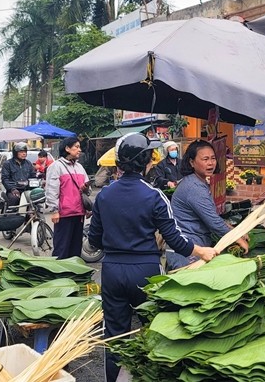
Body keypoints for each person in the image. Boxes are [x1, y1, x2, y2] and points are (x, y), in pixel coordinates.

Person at [88, 133, 218, 382]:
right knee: (154, 332)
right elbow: (175, 239)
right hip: (145, 272)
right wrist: (202, 251)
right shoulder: (154, 195)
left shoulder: (104, 195)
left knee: (114, 336)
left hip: (112, 271)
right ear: (147, 161)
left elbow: (93, 240)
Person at [166, 140, 249, 270]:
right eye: (205, 159)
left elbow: (211, 216)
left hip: (193, 248)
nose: (210, 163)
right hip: (187, 253)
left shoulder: (198, 182)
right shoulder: (194, 187)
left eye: (213, 158)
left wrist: (235, 230)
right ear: (192, 162)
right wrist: (237, 238)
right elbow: (213, 222)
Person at [45, 136, 90, 259]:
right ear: (67, 148)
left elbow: (87, 190)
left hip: (79, 213)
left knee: (75, 249)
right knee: (61, 248)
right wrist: (54, 211)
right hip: (64, 214)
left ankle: (73, 275)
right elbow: (51, 190)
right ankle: (59, 274)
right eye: (76, 147)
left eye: (79, 147)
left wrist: (86, 189)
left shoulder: (79, 167)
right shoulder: (56, 166)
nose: (79, 150)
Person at [1, 142, 37, 207]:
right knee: (14, 199)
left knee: (37, 199)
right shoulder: (8, 164)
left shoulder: (28, 163)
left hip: (27, 189)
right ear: (15, 153)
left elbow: (33, 176)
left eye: (25, 152)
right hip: (14, 190)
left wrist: (36, 182)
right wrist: (12, 189)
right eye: (21, 152)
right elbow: (5, 179)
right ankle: (12, 215)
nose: (24, 153)